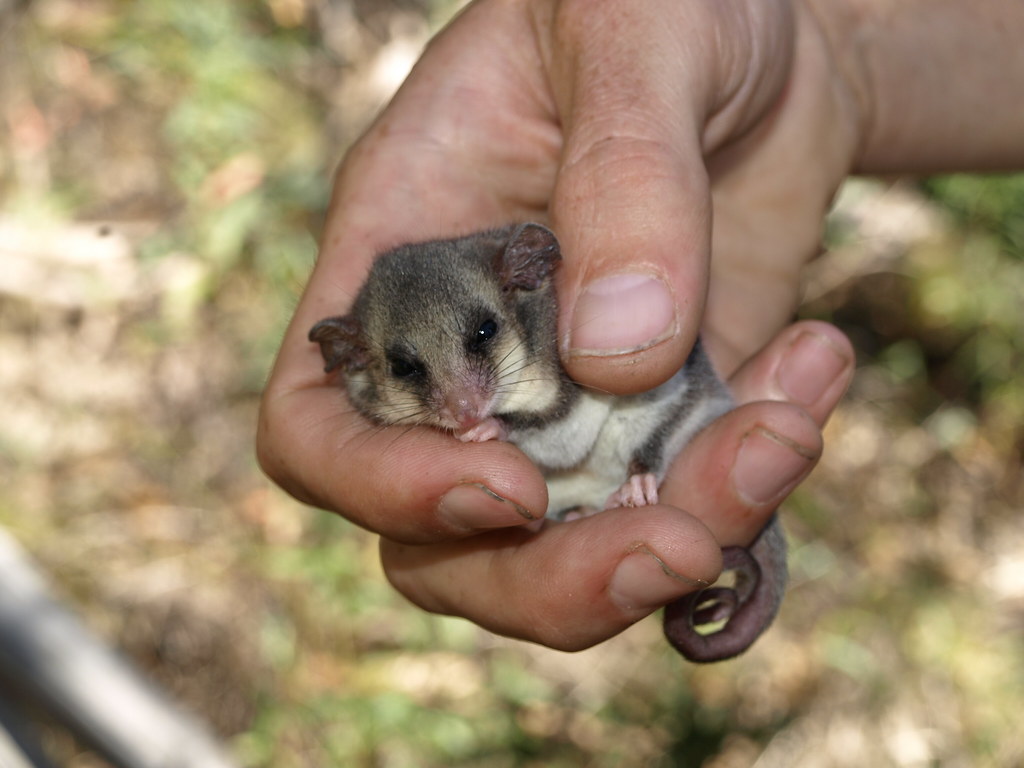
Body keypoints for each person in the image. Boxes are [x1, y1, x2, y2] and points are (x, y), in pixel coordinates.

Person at [256, 0, 1024, 651]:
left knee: (622, 411)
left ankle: (642, 473)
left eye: (482, 341)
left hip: (639, 425)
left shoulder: (552, 316)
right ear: (355, 357)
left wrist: (811, 51)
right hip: (583, 477)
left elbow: (562, 421)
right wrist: (824, 53)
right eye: (413, 371)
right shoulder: (374, 371)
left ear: (518, 278)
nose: (458, 399)